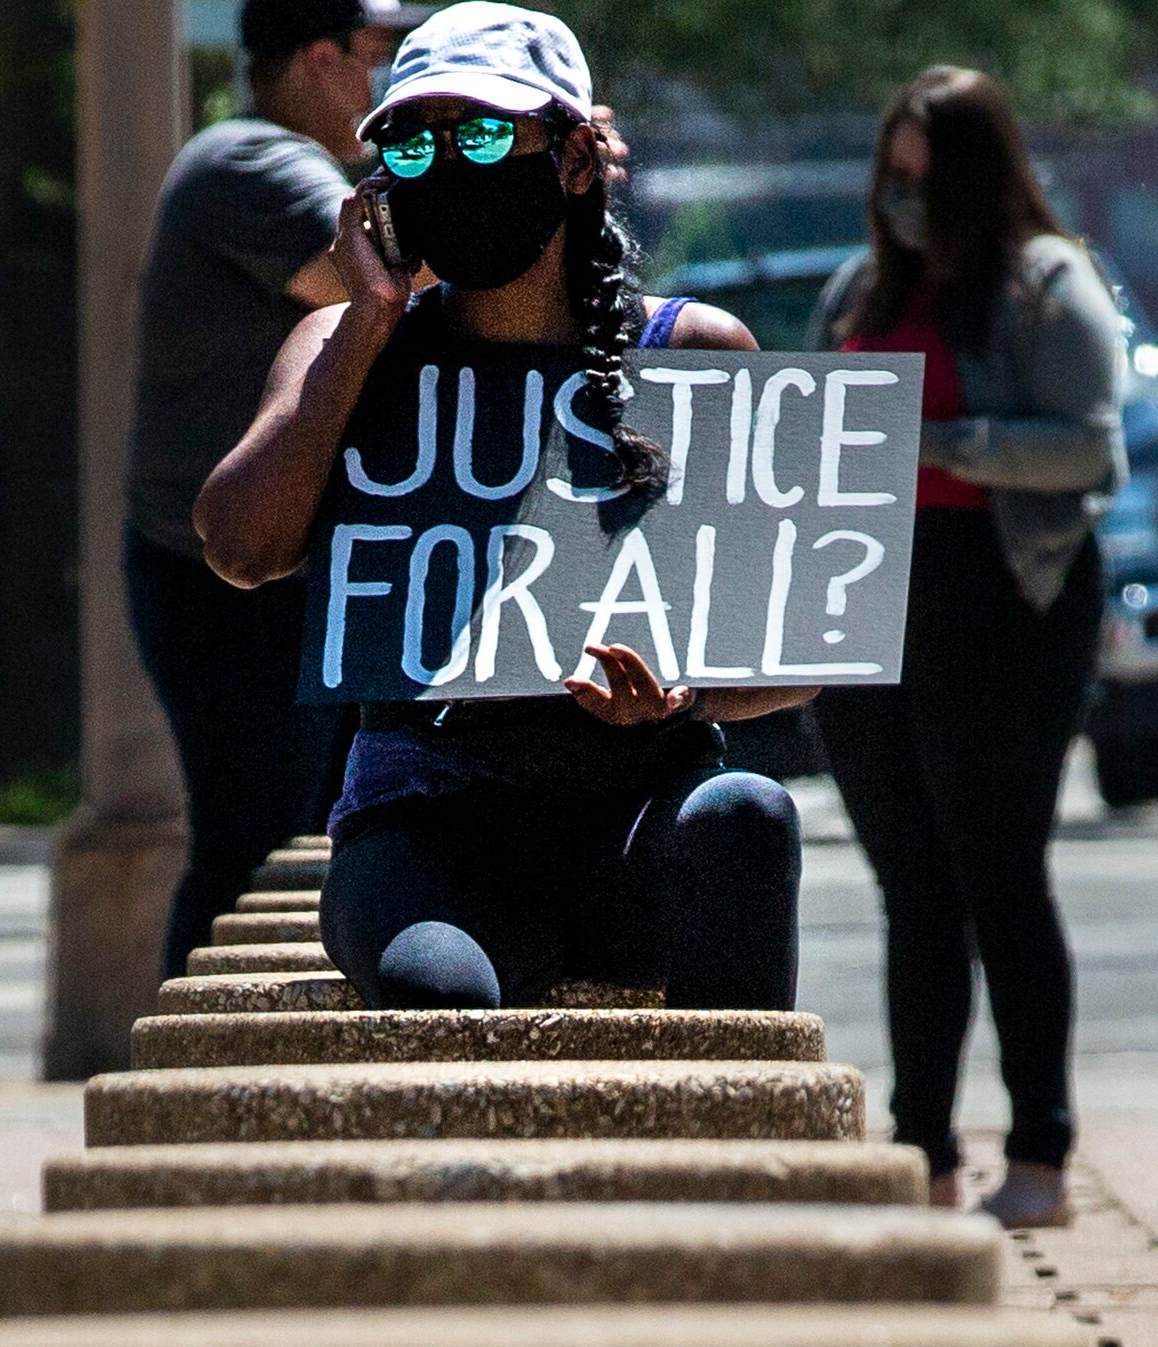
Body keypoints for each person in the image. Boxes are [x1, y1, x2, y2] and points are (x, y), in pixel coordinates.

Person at [196, 1, 816, 1013]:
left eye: (482, 134)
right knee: (434, 987)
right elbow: (238, 546)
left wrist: (679, 695)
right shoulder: (343, 351)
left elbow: (792, 661)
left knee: (745, 813)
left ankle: (729, 1165)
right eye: (410, 142)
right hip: (429, 830)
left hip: (634, 819)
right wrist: (368, 326)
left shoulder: (694, 355)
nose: (447, 164)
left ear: (572, 160)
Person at [809, 66, 1125, 1227]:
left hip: (1006, 605)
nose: (899, 203)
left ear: (978, 180)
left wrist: (930, 441)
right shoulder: (857, 293)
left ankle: (1039, 1155)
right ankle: (922, 1154)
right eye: (888, 179)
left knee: (999, 876)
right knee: (912, 893)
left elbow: (1087, 448)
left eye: (921, 181)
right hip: (869, 612)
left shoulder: (1049, 285)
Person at [126, 0, 427, 981]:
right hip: (222, 580)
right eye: (379, 58)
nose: (386, 87)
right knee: (250, 850)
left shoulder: (252, 162)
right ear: (319, 57)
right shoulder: (250, 163)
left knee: (288, 835)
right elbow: (381, 281)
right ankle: (183, 1096)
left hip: (264, 574)